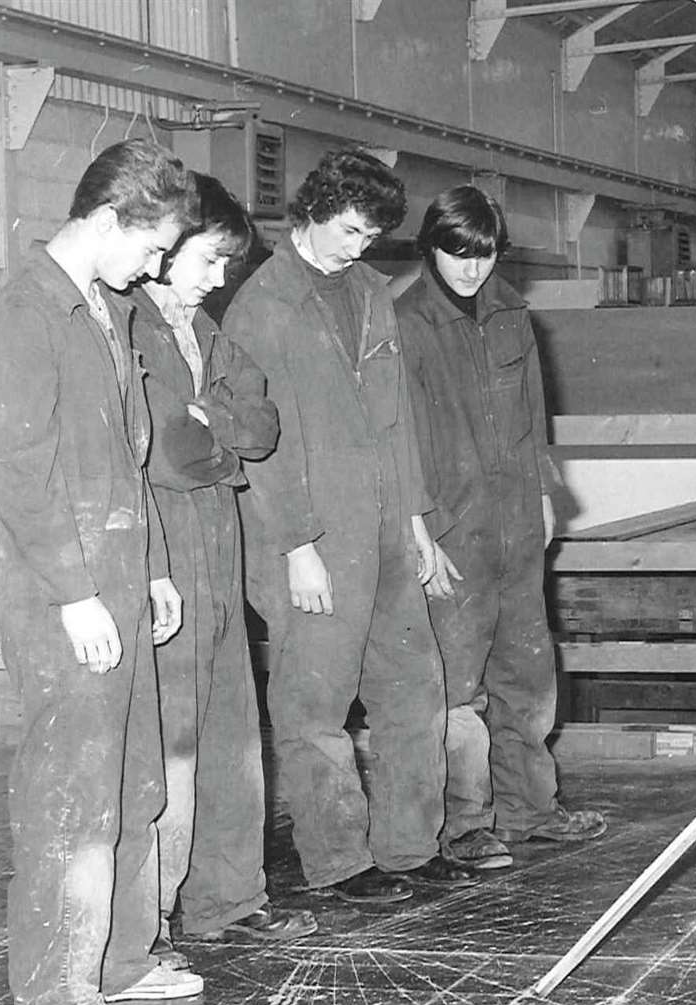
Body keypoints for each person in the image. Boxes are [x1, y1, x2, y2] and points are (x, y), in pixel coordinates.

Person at [0, 139, 204, 1005]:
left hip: (115, 577)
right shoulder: (25, 314)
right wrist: (75, 594)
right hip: (61, 594)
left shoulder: (102, 311)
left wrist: (146, 570)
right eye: (151, 249)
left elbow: (125, 457)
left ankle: (119, 960)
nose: (155, 268)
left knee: (135, 778)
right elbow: (17, 470)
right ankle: (53, 998)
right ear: (107, 220)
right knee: (70, 794)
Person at [224, 148, 473, 904]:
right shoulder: (260, 306)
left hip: (388, 531)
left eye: (368, 237)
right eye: (348, 230)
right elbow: (256, 443)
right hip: (311, 539)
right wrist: (297, 548)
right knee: (314, 707)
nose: (356, 247)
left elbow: (396, 422)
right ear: (311, 209)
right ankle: (338, 860)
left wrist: (418, 524)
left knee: (414, 692)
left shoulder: (369, 293)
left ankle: (409, 844)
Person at [131, 173, 317, 955]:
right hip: (163, 550)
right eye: (210, 261)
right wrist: (211, 431)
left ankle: (229, 901)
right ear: (165, 246)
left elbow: (263, 421)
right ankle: (150, 922)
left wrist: (211, 425)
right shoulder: (127, 329)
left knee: (234, 737)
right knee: (167, 750)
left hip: (218, 544)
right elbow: (167, 452)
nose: (218, 280)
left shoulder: (205, 329)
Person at [395, 186, 606, 870]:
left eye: (482, 254)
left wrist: (544, 494)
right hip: (452, 526)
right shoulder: (404, 320)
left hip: (515, 520)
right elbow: (397, 434)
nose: (470, 267)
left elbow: (532, 412)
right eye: (456, 252)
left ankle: (529, 810)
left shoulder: (513, 313)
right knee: (458, 686)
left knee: (528, 673)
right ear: (429, 245)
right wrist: (421, 525)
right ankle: (464, 824)